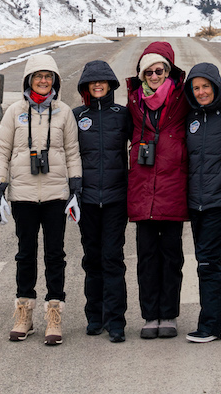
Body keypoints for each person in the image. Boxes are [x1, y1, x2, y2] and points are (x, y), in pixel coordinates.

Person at [0, 52, 82, 345]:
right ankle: (24, 313)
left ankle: (54, 311)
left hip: (55, 194)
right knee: (25, 253)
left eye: (48, 76)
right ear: (29, 80)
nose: (43, 81)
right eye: (38, 76)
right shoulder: (14, 111)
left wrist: (76, 188)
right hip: (24, 195)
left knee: (55, 255)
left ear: (55, 80)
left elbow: (72, 152)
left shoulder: (64, 112)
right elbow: (2, 150)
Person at [127, 40, 189, 339]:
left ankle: (169, 314)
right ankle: (150, 315)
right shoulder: (133, 103)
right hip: (143, 192)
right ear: (142, 74)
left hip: (173, 190)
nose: (154, 76)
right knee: (147, 258)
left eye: (160, 70)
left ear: (169, 71)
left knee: (172, 257)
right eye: (149, 72)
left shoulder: (182, 100)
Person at [72, 59, 132, 343]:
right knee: (91, 259)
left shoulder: (122, 115)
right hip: (87, 200)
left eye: (102, 81)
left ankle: (116, 320)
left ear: (110, 85)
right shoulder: (76, 116)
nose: (97, 86)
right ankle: (95, 317)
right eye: (92, 82)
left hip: (116, 199)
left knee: (113, 258)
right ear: (86, 86)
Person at [183, 61, 221, 343]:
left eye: (205, 86)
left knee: (206, 261)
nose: (201, 92)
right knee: (215, 260)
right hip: (196, 202)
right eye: (196, 87)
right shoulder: (189, 118)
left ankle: (211, 325)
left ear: (216, 86)